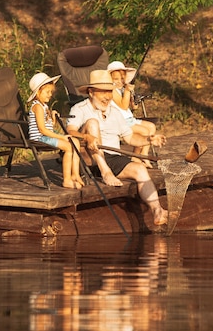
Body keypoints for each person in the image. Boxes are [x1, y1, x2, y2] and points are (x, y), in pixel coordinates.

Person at [66, 69, 168, 226]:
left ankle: (157, 210)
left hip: (113, 157)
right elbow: (70, 131)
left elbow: (130, 137)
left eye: (109, 92)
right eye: (103, 92)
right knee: (92, 123)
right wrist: (86, 136)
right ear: (91, 92)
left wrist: (149, 140)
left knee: (140, 170)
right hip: (87, 159)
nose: (107, 97)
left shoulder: (115, 112)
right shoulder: (79, 108)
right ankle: (105, 172)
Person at [27, 72, 85, 189]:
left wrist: (53, 117)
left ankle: (75, 174)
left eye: (51, 92)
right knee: (68, 147)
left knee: (75, 142)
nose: (50, 95)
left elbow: (49, 127)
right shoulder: (37, 107)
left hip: (46, 135)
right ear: (38, 92)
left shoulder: (44, 106)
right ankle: (67, 180)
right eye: (47, 92)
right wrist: (61, 137)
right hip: (39, 138)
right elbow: (42, 130)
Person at [107, 60, 157, 168]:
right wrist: (127, 92)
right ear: (109, 79)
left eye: (122, 79)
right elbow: (123, 106)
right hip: (120, 122)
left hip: (129, 119)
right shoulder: (111, 90)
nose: (119, 81)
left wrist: (133, 99)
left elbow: (133, 107)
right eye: (116, 79)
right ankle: (137, 157)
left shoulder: (123, 89)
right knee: (144, 132)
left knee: (151, 127)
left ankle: (142, 155)